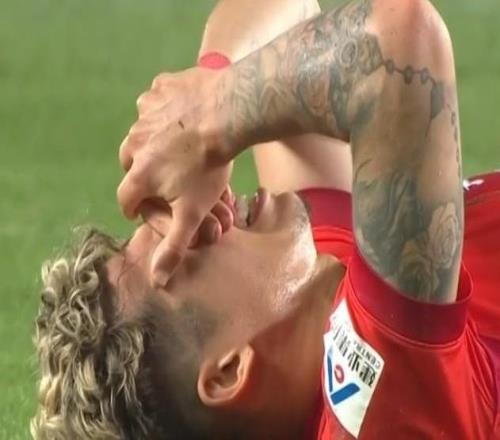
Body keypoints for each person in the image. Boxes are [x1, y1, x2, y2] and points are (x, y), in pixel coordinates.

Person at [31, 0, 500, 439]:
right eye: (181, 250)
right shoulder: (377, 404)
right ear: (229, 372)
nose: (203, 213)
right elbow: (399, 45)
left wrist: (213, 74)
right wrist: (210, 115)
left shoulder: (314, 270)